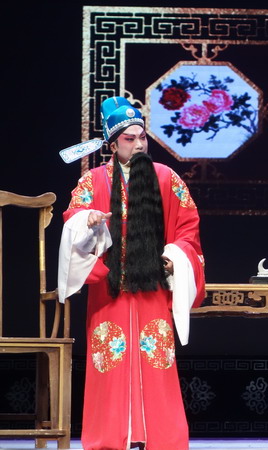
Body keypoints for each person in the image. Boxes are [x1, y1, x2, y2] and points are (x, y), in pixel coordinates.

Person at [58, 96, 205, 450]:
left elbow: (188, 226)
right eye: (129, 139)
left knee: (156, 360)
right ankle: (109, 439)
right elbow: (72, 216)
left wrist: (176, 256)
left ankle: (161, 439)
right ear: (112, 145)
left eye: (142, 138)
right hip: (109, 287)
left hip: (152, 284)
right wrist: (88, 221)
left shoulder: (167, 178)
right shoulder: (92, 181)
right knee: (109, 360)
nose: (139, 145)